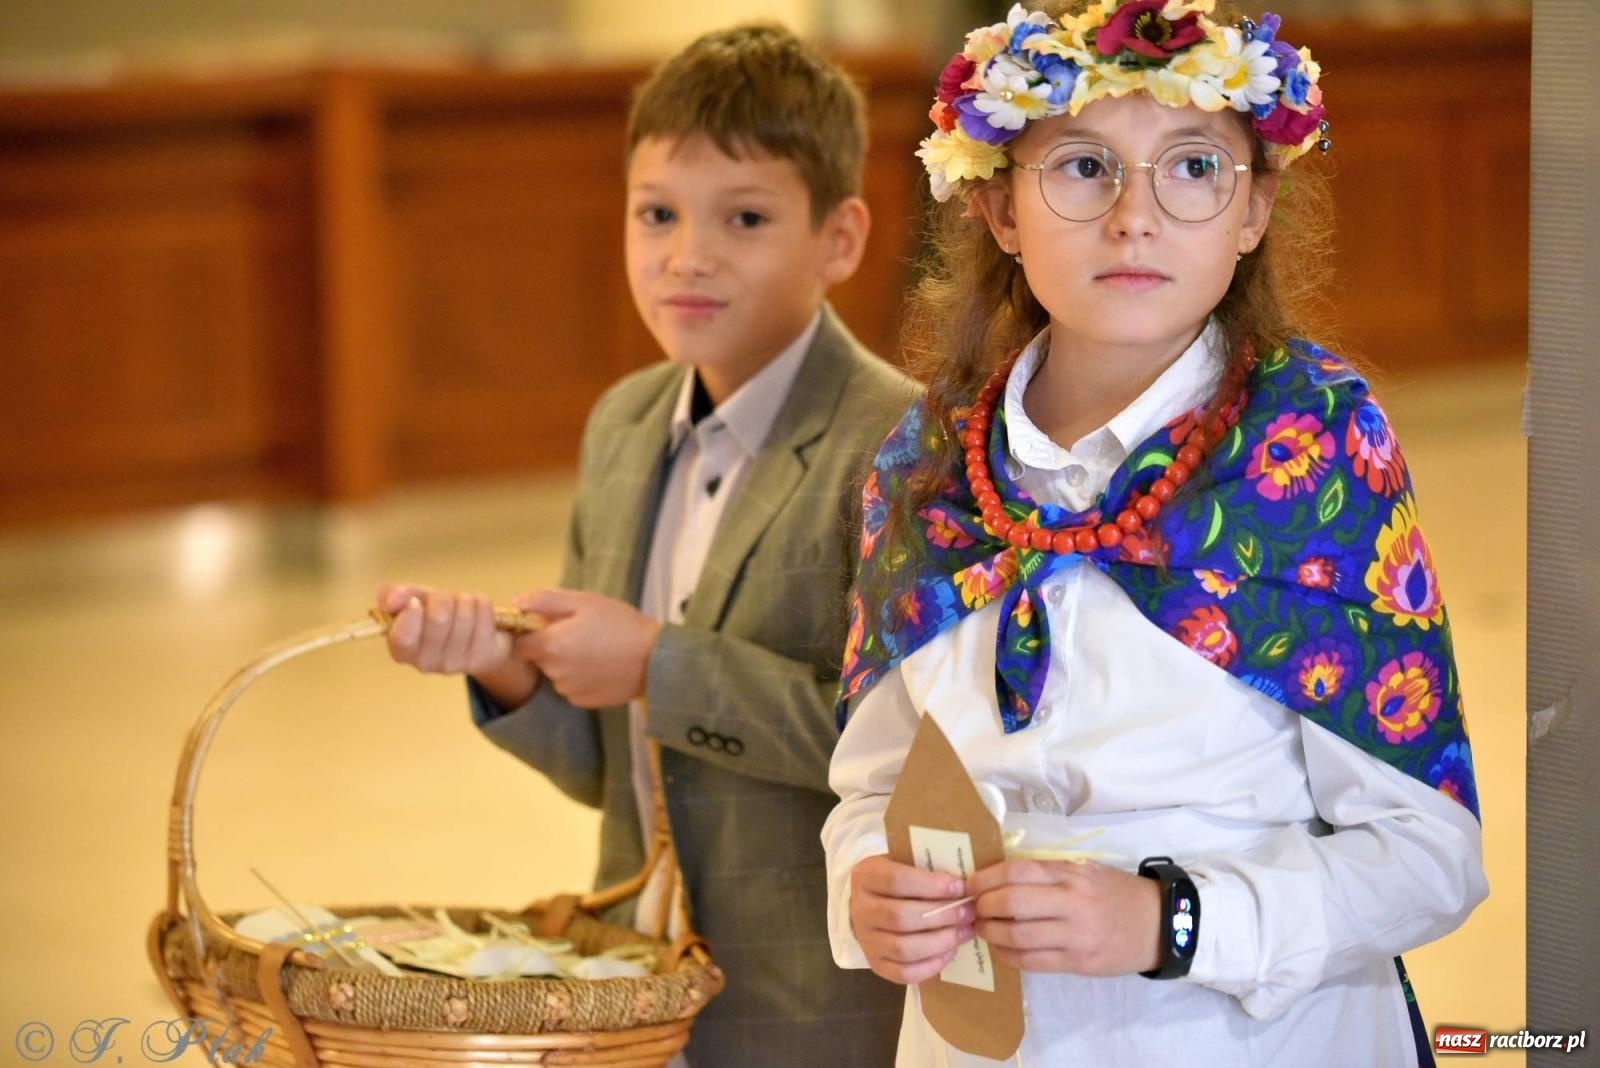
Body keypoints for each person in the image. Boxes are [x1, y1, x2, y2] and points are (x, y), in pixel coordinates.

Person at [821, 3, 1487, 1065]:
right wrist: (865, 888)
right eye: (1081, 169)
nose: (1134, 216)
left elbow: (1428, 855)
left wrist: (1168, 922)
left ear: (1254, 209)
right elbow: (873, 785)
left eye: (1189, 168)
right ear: (998, 209)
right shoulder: (929, 461)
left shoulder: (1313, 448)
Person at [376, 23, 915, 1067]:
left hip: (816, 1009)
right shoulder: (623, 426)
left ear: (840, 239)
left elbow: (908, 755)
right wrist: (501, 664)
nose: (685, 257)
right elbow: (617, 770)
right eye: (656, 214)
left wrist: (658, 666)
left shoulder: (897, 445)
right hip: (640, 992)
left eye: (744, 218)